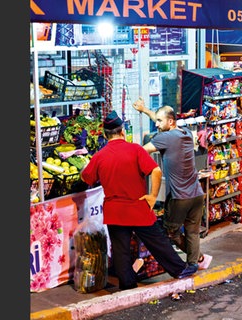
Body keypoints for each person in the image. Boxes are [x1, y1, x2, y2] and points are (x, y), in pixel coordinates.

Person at [80, 110, 188, 290]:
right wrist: (153, 196)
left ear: (105, 135)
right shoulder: (135, 149)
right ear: (122, 132)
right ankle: (179, 269)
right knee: (157, 242)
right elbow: (156, 171)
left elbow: (86, 178)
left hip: (115, 211)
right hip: (137, 207)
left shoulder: (100, 156)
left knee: (120, 251)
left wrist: (86, 167)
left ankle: (127, 284)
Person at [132, 100, 212, 278]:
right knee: (192, 231)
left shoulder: (164, 138)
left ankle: (196, 258)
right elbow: (162, 117)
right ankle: (194, 262)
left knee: (171, 231)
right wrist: (145, 110)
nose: (157, 124)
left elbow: (141, 152)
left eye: (159, 122)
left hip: (180, 198)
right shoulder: (184, 132)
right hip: (197, 194)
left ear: (170, 122)